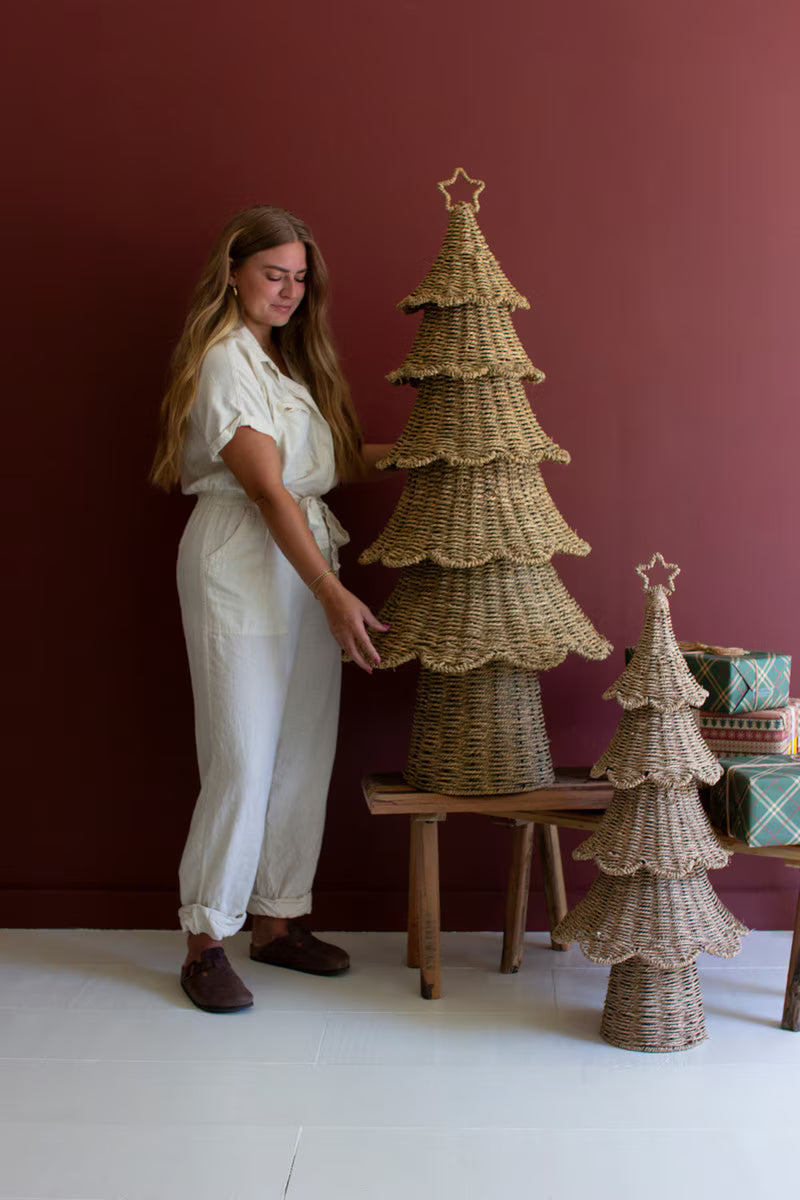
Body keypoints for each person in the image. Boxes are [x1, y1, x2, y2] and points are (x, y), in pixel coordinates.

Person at [151, 205, 390, 1013]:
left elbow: (321, 468)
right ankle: (206, 941)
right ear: (233, 273)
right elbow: (263, 486)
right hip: (242, 561)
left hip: (303, 554)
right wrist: (332, 592)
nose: (288, 291)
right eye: (272, 274)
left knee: (300, 752)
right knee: (243, 756)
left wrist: (434, 453)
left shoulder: (281, 365)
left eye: (299, 279)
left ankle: (277, 921)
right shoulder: (225, 359)